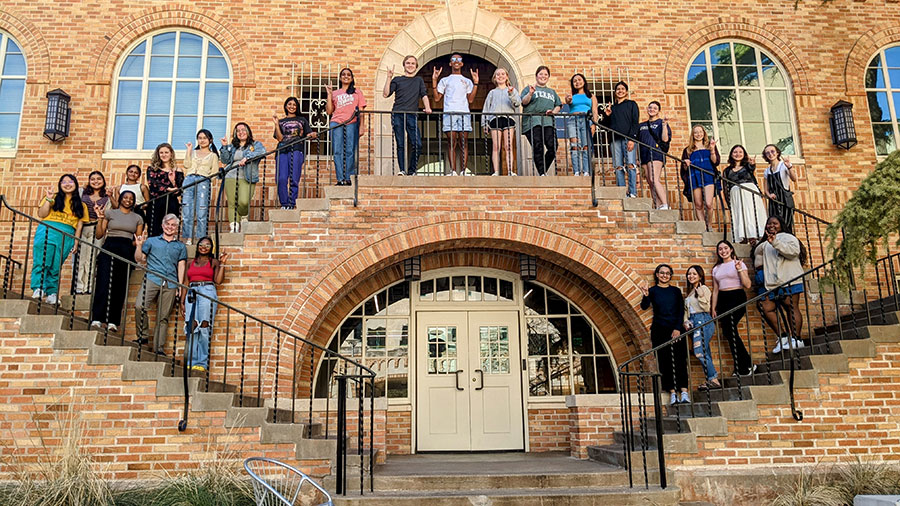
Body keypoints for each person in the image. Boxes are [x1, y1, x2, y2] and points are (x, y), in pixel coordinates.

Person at [134, 213, 188, 356]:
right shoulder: (151, 241)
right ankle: (143, 336)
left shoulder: (180, 246)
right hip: (152, 278)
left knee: (163, 317)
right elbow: (139, 259)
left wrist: (179, 285)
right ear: (163, 225)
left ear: (177, 228)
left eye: (173, 225)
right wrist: (139, 246)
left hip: (171, 282)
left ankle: (158, 347)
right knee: (139, 306)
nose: (170, 227)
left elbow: (181, 266)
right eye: (167, 224)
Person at [31, 174, 89, 305]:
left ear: (76, 184)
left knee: (56, 264)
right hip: (48, 229)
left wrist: (76, 241)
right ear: (60, 185)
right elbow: (41, 214)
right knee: (42, 260)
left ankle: (52, 293)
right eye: (64, 182)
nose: (67, 184)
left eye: (70, 181)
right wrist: (48, 199)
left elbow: (79, 225)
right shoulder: (53, 197)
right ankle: (38, 288)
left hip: (67, 234)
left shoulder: (81, 205)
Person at [90, 190, 144, 331]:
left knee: (119, 286)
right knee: (103, 283)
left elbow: (137, 239)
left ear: (134, 202)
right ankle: (97, 318)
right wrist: (100, 218)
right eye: (125, 197)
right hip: (109, 246)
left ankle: (113, 321)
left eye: (131, 198)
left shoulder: (138, 218)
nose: (128, 200)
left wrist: (138, 244)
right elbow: (99, 235)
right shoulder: (110, 213)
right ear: (120, 199)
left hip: (126, 250)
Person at [639, 264, 690, 405]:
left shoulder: (675, 291)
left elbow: (680, 310)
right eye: (662, 273)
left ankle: (684, 392)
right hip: (659, 329)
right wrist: (645, 294)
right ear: (657, 275)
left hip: (676, 329)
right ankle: (672, 392)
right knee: (664, 361)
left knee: (680, 360)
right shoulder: (653, 291)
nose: (664, 275)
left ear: (670, 275)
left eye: (667, 273)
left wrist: (677, 328)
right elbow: (644, 306)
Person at [757, 215, 807, 353]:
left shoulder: (788, 237)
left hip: (788, 278)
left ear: (781, 225)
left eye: (775, 223)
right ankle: (784, 337)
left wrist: (775, 243)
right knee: (765, 307)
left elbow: (793, 252)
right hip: (772, 282)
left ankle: (797, 339)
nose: (771, 225)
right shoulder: (766, 241)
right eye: (769, 223)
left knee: (791, 307)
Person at [181, 237, 229, 372]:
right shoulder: (190, 263)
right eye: (201, 244)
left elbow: (218, 281)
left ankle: (201, 363)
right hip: (191, 291)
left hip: (207, 290)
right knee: (191, 326)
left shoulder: (214, 262)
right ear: (197, 246)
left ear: (211, 248)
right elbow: (185, 282)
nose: (204, 247)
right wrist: (182, 301)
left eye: (207, 245)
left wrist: (222, 263)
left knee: (204, 326)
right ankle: (190, 361)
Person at [710, 240, 754, 376]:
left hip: (736, 297)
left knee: (729, 330)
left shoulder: (738, 264)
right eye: (720, 249)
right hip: (723, 299)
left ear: (731, 249)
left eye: (725, 248)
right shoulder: (716, 268)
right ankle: (743, 366)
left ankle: (746, 365)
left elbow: (747, 285)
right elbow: (715, 290)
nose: (723, 251)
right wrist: (713, 308)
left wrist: (739, 269)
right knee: (728, 332)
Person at [383, 55, 431, 176]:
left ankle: (412, 170)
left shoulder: (418, 80)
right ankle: (402, 170)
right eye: (408, 63)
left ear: (416, 66)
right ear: (404, 65)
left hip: (412, 115)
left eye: (413, 63)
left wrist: (428, 107)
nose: (410, 65)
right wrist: (389, 78)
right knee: (400, 144)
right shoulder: (397, 80)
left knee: (417, 144)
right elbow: (385, 94)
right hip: (398, 114)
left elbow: (424, 95)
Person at [432, 54, 478, 176]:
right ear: (450, 63)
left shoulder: (467, 81)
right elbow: (437, 98)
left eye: (459, 59)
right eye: (453, 59)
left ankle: (463, 171)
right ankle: (453, 170)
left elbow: (471, 99)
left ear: (462, 63)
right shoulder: (445, 80)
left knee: (464, 142)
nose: (456, 61)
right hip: (449, 112)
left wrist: (476, 83)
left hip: (464, 113)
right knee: (451, 142)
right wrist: (434, 80)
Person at [220, 122, 265, 232]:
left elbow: (262, 152)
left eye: (243, 130)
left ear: (248, 132)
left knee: (244, 202)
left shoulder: (255, 145)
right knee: (232, 203)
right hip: (230, 176)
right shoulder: (232, 147)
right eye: (238, 131)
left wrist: (247, 158)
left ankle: (243, 216)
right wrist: (225, 146)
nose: (241, 132)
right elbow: (225, 160)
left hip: (247, 176)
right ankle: (234, 227)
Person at [272, 97, 316, 208]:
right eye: (289, 104)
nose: (292, 106)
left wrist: (312, 135)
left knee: (294, 178)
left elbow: (308, 134)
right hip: (282, 150)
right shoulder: (281, 121)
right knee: (281, 178)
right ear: (285, 106)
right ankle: (284, 203)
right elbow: (280, 138)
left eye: (294, 105)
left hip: (297, 149)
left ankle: (291, 203)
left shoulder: (302, 120)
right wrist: (276, 124)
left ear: (297, 107)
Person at [327, 67, 366, 185]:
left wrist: (362, 126)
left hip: (351, 122)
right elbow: (329, 111)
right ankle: (340, 179)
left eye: (348, 75)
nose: (346, 76)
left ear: (352, 78)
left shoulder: (357, 92)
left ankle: (349, 178)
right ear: (340, 78)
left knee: (350, 150)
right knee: (337, 151)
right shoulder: (335, 93)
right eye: (343, 74)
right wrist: (329, 94)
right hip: (336, 122)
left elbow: (361, 111)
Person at [75, 170, 112, 294]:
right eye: (93, 179)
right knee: (81, 258)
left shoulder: (106, 197)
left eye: (99, 179)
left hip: (97, 227)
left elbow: (109, 212)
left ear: (103, 181)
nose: (96, 181)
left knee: (92, 258)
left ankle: (89, 286)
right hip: (82, 226)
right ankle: (79, 286)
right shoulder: (83, 193)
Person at [683, 265, 720, 390]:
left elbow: (706, 308)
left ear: (700, 276)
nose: (691, 276)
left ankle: (713, 379)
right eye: (689, 274)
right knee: (705, 351)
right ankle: (711, 379)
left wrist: (700, 296)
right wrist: (685, 321)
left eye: (694, 274)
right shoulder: (690, 292)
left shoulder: (704, 288)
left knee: (699, 352)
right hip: (693, 322)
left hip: (703, 320)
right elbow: (686, 311)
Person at [521, 66, 561, 176]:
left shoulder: (552, 92)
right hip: (532, 121)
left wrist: (553, 112)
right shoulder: (528, 88)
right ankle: (542, 173)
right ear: (536, 76)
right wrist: (530, 93)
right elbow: (524, 102)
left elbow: (558, 105)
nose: (543, 76)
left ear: (548, 77)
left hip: (548, 121)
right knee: (538, 146)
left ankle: (542, 170)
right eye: (541, 74)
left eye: (546, 74)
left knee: (553, 147)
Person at [602, 81, 640, 196]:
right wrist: (607, 115)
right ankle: (622, 193)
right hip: (615, 140)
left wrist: (632, 139)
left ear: (626, 92)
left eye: (623, 89)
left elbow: (635, 122)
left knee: (631, 165)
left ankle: (632, 192)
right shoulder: (612, 108)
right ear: (615, 92)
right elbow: (605, 126)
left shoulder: (631, 104)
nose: (620, 91)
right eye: (618, 89)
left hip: (628, 139)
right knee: (618, 167)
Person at [723, 144, 766, 243]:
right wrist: (728, 201)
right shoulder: (727, 170)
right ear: (731, 154)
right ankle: (743, 237)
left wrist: (752, 164)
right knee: (740, 215)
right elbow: (725, 187)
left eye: (740, 152)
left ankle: (753, 236)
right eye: (735, 152)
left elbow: (751, 168)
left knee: (751, 213)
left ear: (744, 154)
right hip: (736, 195)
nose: (737, 154)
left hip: (749, 193)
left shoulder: (747, 166)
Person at [182, 129, 219, 244]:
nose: (202, 140)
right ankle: (188, 238)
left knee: (202, 210)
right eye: (200, 138)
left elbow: (214, 172)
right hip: (189, 179)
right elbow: (186, 165)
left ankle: (200, 239)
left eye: (204, 138)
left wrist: (207, 181)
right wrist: (188, 151)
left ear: (210, 140)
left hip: (203, 180)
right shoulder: (193, 152)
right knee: (187, 210)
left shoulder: (213, 155)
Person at [483, 68, 521, 176]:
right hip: (495, 119)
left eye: (503, 74)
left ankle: (510, 171)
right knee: (496, 146)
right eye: (498, 74)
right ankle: (496, 171)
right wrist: (484, 123)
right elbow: (486, 108)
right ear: (495, 78)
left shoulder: (512, 90)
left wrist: (511, 93)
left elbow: (517, 103)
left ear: (507, 76)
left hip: (508, 118)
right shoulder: (492, 92)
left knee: (508, 146)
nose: (500, 76)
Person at [681, 125, 720, 229]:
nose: (698, 134)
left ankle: (709, 225)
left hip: (708, 175)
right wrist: (686, 163)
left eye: (700, 132)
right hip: (695, 176)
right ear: (692, 135)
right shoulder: (688, 150)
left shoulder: (709, 146)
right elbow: (684, 169)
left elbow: (715, 162)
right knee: (698, 204)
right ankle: (703, 227)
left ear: (704, 133)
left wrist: (712, 150)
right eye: (696, 132)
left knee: (708, 203)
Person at [638, 101, 672, 209]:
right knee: (650, 181)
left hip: (656, 153)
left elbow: (665, 139)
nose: (652, 109)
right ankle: (658, 205)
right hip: (644, 154)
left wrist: (664, 125)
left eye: (655, 108)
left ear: (658, 111)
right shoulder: (641, 125)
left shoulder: (661, 123)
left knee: (654, 178)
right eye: (650, 107)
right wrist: (637, 158)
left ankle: (665, 204)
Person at [564, 73, 598, 177]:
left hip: (586, 120)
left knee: (586, 146)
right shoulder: (571, 95)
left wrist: (594, 124)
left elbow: (595, 111)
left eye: (579, 80)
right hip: (573, 120)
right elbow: (568, 101)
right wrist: (568, 99)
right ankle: (577, 171)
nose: (577, 82)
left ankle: (586, 171)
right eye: (575, 81)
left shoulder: (591, 96)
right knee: (575, 146)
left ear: (584, 81)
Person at [146, 143, 183, 237]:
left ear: (171, 154)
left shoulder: (177, 170)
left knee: (169, 229)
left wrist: (172, 181)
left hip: (171, 203)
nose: (164, 155)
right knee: (154, 230)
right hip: (156, 203)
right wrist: (168, 188)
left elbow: (179, 191)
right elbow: (152, 185)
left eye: (166, 152)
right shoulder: (152, 169)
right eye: (161, 152)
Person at [762, 144, 797, 233]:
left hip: (784, 199)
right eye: (767, 153)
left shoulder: (783, 165)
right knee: (774, 224)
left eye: (772, 151)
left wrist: (789, 167)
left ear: (777, 153)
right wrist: (769, 195)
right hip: (774, 201)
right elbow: (766, 189)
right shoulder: (767, 171)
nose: (770, 154)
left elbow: (794, 179)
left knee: (786, 224)